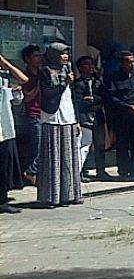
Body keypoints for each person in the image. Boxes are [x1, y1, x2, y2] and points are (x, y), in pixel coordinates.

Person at [37, 43, 82, 207]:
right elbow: (48, 94)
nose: (65, 57)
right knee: (53, 157)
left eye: (67, 54)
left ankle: (69, 194)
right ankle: (52, 196)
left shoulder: (67, 70)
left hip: (68, 115)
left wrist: (76, 120)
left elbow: (72, 97)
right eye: (62, 54)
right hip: (52, 116)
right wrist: (64, 84)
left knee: (68, 157)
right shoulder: (46, 71)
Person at [107, 50, 134, 180]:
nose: (132, 64)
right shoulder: (113, 78)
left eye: (133, 62)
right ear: (121, 64)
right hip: (122, 116)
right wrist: (128, 107)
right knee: (122, 144)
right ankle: (124, 171)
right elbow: (111, 98)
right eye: (129, 62)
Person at [0, 53, 28, 213]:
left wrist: (7, 64)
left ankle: (2, 200)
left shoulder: (4, 78)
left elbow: (23, 80)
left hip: (5, 127)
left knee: (4, 165)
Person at [73, 56, 108, 181]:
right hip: (84, 117)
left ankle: (101, 171)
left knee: (100, 145)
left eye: (91, 64)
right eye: (86, 64)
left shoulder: (98, 82)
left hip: (97, 117)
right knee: (83, 146)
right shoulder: (77, 84)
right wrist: (85, 101)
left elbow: (105, 97)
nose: (90, 67)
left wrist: (95, 100)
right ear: (81, 68)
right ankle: (81, 171)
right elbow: (76, 101)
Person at [20, 44, 42, 185]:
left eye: (39, 55)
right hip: (32, 114)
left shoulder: (42, 73)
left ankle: (32, 174)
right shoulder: (25, 75)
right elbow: (27, 97)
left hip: (45, 113)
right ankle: (30, 172)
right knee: (38, 147)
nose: (38, 58)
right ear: (27, 59)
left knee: (40, 146)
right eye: (35, 56)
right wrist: (38, 85)